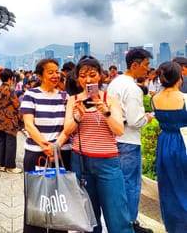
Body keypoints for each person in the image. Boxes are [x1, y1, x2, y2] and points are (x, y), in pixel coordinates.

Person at [64, 57, 133, 233]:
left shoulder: (109, 99)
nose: (88, 80)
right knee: (89, 218)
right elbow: (67, 129)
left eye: (92, 75)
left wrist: (105, 111)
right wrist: (78, 116)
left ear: (100, 76)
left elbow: (119, 130)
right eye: (83, 76)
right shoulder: (73, 100)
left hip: (107, 163)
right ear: (77, 79)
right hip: (81, 162)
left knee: (118, 216)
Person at [20, 58, 71, 233]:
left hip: (62, 153)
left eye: (57, 72)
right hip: (36, 153)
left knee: (59, 200)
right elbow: (29, 124)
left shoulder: (65, 97)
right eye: (50, 72)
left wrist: (56, 146)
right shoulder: (31, 95)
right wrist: (46, 147)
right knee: (36, 199)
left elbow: (69, 126)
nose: (55, 75)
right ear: (40, 75)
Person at [107, 48, 154, 233]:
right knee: (131, 185)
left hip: (115, 139)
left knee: (118, 184)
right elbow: (135, 121)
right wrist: (147, 118)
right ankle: (130, 223)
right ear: (135, 65)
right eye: (146, 65)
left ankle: (119, 223)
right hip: (130, 141)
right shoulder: (133, 88)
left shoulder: (114, 83)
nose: (148, 69)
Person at [151, 61, 187, 233]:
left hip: (164, 143)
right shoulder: (184, 99)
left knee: (168, 187)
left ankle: (174, 227)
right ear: (179, 77)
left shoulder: (154, 99)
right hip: (183, 142)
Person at [0, 68, 22, 174]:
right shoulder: (10, 90)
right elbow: (17, 104)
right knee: (11, 142)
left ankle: (2, 164)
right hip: (10, 120)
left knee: (2, 141)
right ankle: (10, 166)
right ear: (10, 78)